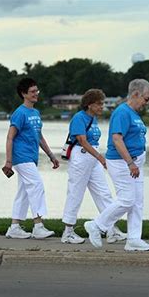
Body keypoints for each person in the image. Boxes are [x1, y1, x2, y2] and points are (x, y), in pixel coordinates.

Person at [84, 79, 149, 251]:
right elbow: (117, 139)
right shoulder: (122, 112)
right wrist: (130, 162)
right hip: (122, 162)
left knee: (137, 202)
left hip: (135, 163)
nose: (147, 102)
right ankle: (97, 225)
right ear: (136, 94)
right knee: (127, 200)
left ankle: (134, 239)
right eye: (146, 98)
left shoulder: (134, 113)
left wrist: (135, 162)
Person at [61, 89, 127, 244]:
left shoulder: (94, 119)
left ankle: (111, 230)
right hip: (81, 156)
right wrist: (100, 157)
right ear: (89, 105)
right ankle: (68, 232)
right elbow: (82, 141)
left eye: (102, 103)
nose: (101, 107)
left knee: (104, 193)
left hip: (93, 157)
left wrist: (98, 157)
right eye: (99, 104)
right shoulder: (79, 118)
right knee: (75, 192)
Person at [2, 77, 59, 239]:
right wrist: (8, 161)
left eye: (37, 91)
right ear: (23, 94)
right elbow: (10, 137)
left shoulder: (35, 112)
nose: (36, 94)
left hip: (32, 157)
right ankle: (38, 225)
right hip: (21, 157)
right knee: (37, 185)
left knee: (25, 192)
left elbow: (39, 136)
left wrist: (51, 155)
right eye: (32, 92)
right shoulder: (19, 113)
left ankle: (14, 227)